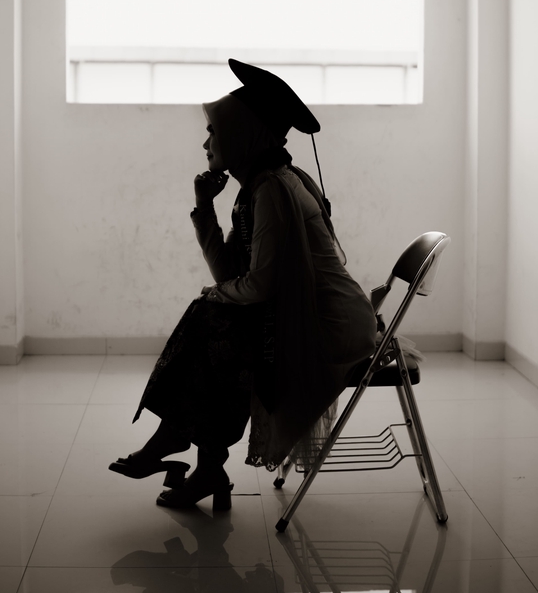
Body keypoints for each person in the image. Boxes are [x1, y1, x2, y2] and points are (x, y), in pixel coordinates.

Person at [109, 59, 377, 510]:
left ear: (241, 135)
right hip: (307, 314)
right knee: (216, 327)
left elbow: (258, 287)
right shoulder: (258, 188)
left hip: (330, 327)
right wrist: (204, 210)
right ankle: (201, 463)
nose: (206, 141)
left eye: (214, 130)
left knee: (216, 325)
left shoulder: (272, 189)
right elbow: (233, 275)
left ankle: (180, 445)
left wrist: (216, 295)